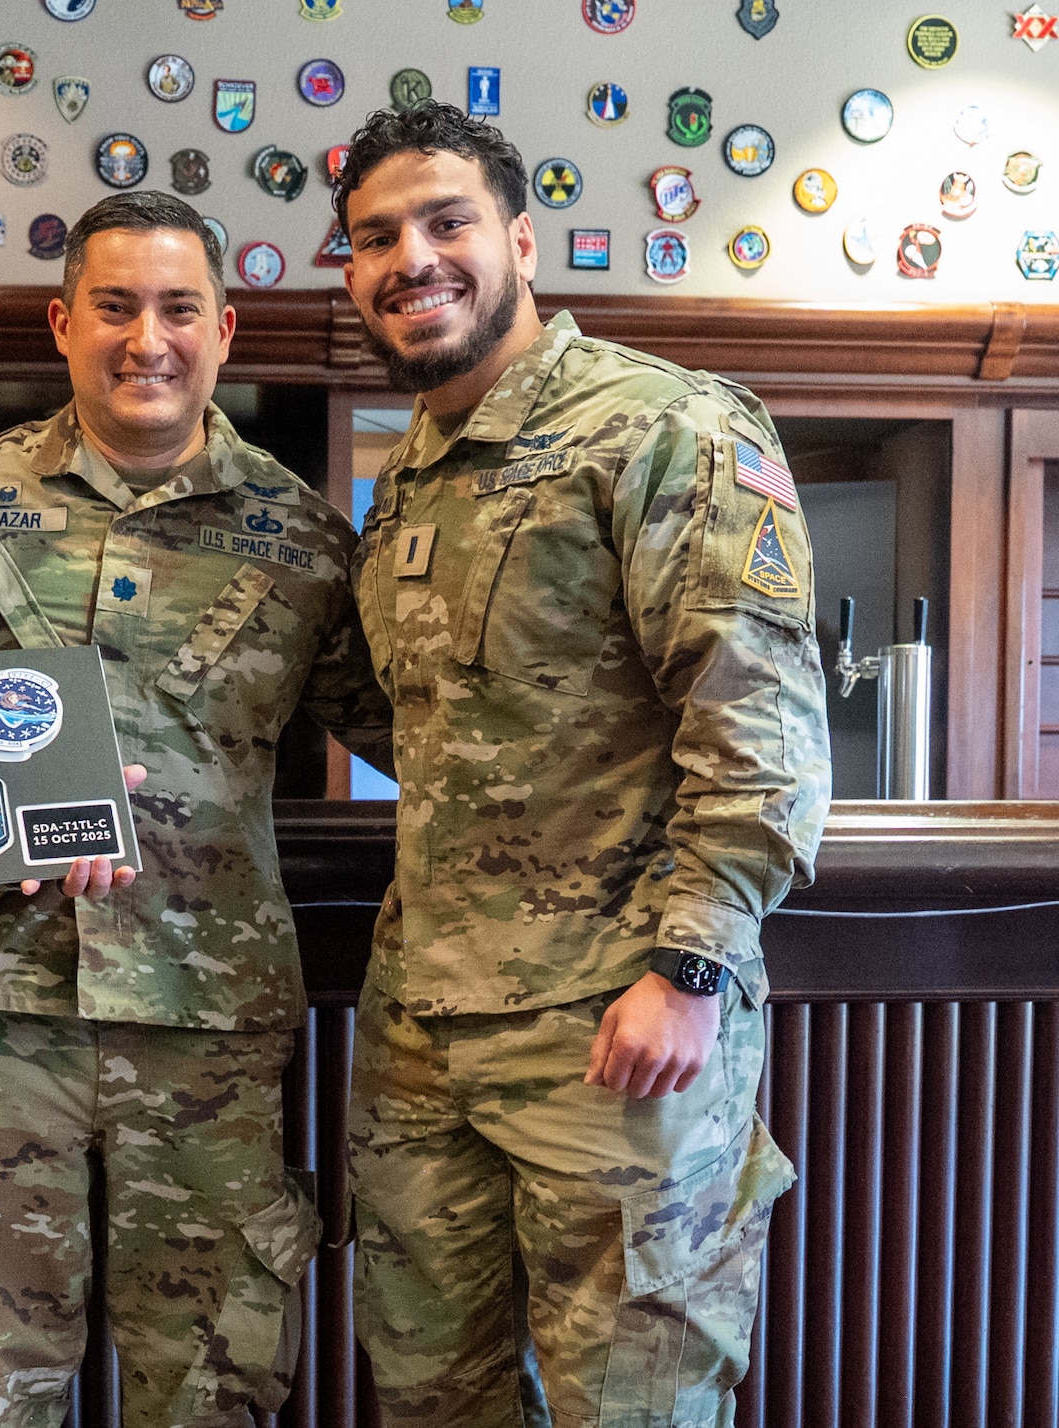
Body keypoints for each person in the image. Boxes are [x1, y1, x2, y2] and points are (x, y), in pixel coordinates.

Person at [0, 190, 399, 1428]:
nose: (144, 338)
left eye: (176, 309)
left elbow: (422, 729)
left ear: (223, 330)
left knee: (211, 1390)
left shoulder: (302, 539)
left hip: (203, 1032)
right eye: (112, 307)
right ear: (61, 321)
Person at [333, 102, 831, 1426]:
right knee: (437, 1398)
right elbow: (433, 734)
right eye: (376, 237)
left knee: (636, 1405)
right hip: (427, 1038)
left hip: (618, 1034)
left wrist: (686, 966)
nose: (412, 259)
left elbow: (761, 725)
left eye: (447, 222)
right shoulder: (417, 478)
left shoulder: (659, 426)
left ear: (522, 240)